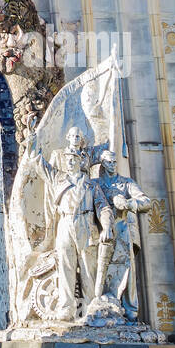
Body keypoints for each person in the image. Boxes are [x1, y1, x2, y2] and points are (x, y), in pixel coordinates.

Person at [27, 121, 114, 322]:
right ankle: (66, 308)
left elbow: (104, 208)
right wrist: (31, 142)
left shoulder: (91, 185)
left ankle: (91, 306)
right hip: (65, 224)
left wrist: (107, 226)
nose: (70, 162)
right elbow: (39, 163)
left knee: (87, 267)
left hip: (85, 223)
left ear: (80, 161)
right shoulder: (58, 178)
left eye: (73, 159)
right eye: (68, 160)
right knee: (65, 265)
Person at [95, 148, 151, 320]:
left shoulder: (126, 183)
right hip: (101, 233)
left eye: (114, 162)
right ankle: (100, 302)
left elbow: (146, 202)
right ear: (102, 164)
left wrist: (127, 203)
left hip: (123, 230)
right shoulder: (95, 183)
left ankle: (130, 311)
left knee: (127, 270)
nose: (112, 165)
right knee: (100, 270)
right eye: (108, 162)